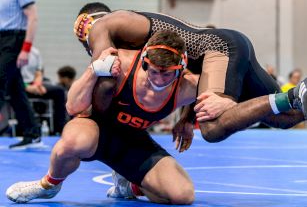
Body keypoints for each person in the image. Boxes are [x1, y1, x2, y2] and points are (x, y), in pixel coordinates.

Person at [73, 2, 307, 143]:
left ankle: (294, 94)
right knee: (287, 118)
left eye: (84, 40)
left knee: (212, 129)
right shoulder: (129, 34)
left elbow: (104, 65)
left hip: (219, 48)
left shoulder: (106, 27)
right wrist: (186, 117)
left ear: (88, 26)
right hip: (224, 47)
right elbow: (181, 73)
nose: (88, 47)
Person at [6, 31, 197, 204]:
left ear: (180, 68)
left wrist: (188, 119)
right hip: (95, 129)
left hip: (133, 142)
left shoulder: (186, 87)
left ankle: (128, 187)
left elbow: (209, 92)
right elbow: (71, 106)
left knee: (182, 195)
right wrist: (94, 69)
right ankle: (48, 185)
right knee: (72, 142)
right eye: (153, 71)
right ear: (145, 60)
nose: (158, 80)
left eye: (167, 74)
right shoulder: (122, 63)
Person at [0, 0, 42, 148]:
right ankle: (32, 132)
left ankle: (32, 132)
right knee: (15, 89)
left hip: (14, 38)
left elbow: (33, 17)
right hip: (2, 39)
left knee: (0, 81)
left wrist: (26, 48)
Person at [20, 47, 67, 134]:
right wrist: (26, 87)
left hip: (34, 84)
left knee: (59, 91)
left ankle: (59, 128)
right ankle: (23, 129)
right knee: (16, 91)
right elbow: (12, 76)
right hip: (19, 86)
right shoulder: (12, 52)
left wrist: (37, 85)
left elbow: (39, 72)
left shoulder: (35, 52)